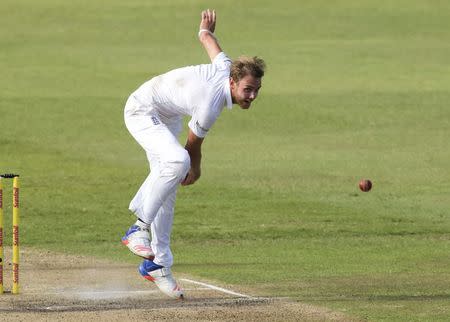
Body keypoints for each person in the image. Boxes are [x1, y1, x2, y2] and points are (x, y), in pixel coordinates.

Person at [121, 9, 265, 299]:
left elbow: (214, 49)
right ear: (233, 83)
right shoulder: (211, 103)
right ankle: (137, 229)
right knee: (178, 161)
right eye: (248, 90)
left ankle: (158, 264)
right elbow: (193, 145)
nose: (252, 96)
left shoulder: (228, 68)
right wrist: (195, 169)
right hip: (142, 110)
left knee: (168, 185)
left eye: (256, 90)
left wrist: (204, 32)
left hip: (167, 115)